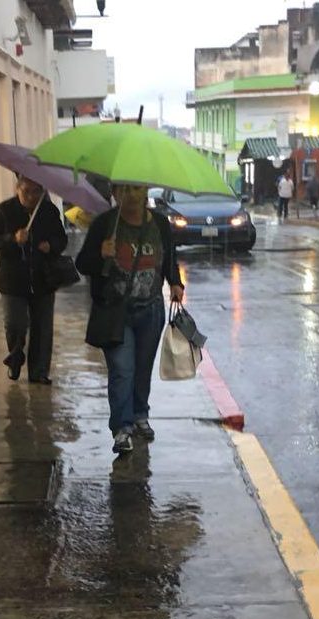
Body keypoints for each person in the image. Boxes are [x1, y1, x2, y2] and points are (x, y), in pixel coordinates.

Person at [76, 184, 185, 455]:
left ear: (146, 190)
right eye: (124, 190)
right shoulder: (105, 224)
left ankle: (139, 414)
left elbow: (169, 256)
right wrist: (100, 253)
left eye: (136, 188)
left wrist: (175, 282)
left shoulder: (159, 223)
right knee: (122, 369)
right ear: (114, 192)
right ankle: (121, 428)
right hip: (115, 311)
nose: (131, 195)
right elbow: (82, 264)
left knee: (142, 367)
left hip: (151, 310)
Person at [0, 176, 68, 384]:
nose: (31, 196)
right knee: (15, 324)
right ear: (17, 189)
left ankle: (39, 372)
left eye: (36, 191)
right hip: (12, 281)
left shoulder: (48, 212)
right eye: (26, 191)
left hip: (43, 279)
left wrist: (51, 246)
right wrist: (12, 240)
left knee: (42, 327)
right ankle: (15, 357)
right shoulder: (4, 210)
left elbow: (61, 239)